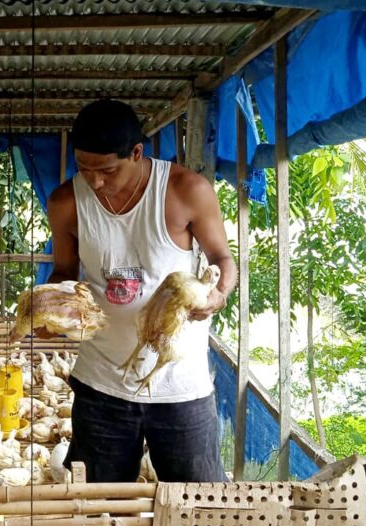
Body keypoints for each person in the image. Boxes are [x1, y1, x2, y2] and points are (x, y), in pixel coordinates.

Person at [37, 99, 238, 483]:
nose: (95, 181)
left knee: (198, 507)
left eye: (107, 170)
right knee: (101, 505)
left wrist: (218, 295)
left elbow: (223, 260)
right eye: (84, 168)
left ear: (136, 152)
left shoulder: (186, 190)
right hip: (102, 383)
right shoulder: (65, 202)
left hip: (180, 383)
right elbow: (64, 272)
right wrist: (51, 310)